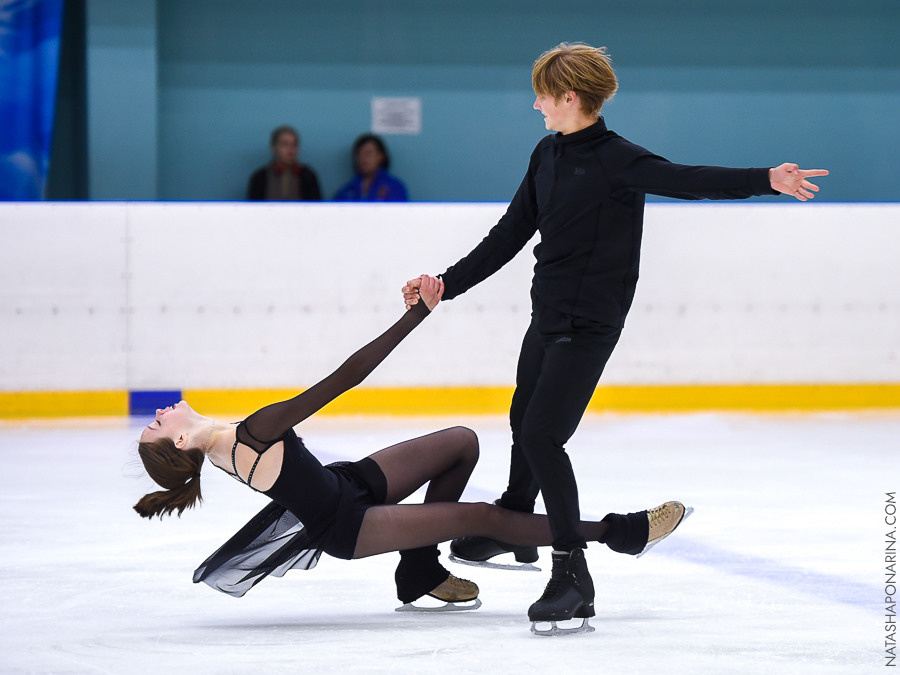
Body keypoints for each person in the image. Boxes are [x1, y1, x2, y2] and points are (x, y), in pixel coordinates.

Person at [402, 42, 828, 634]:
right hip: (547, 315)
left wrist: (767, 180)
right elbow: (511, 232)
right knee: (523, 417)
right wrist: (446, 284)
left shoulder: (617, 159)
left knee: (543, 435)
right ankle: (515, 522)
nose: (535, 105)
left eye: (542, 96)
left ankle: (572, 575)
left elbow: (687, 180)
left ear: (570, 97)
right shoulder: (547, 153)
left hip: (589, 324)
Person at [133, 274, 684, 626]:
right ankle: (620, 532)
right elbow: (346, 378)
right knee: (480, 516)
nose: (159, 412)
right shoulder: (251, 433)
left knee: (461, 443)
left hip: (347, 484)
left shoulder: (224, 444)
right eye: (156, 425)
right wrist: (416, 315)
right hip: (349, 525)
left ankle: (419, 567)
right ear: (180, 442)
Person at [247, 125, 322, 201]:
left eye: (294, 145)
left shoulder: (308, 176)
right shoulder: (260, 178)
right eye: (285, 144)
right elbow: (253, 206)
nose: (290, 149)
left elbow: (317, 205)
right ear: (274, 147)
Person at [333, 133, 408, 202]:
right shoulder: (347, 190)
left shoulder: (394, 188)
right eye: (359, 154)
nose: (363, 158)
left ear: (381, 156)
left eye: (368, 153)